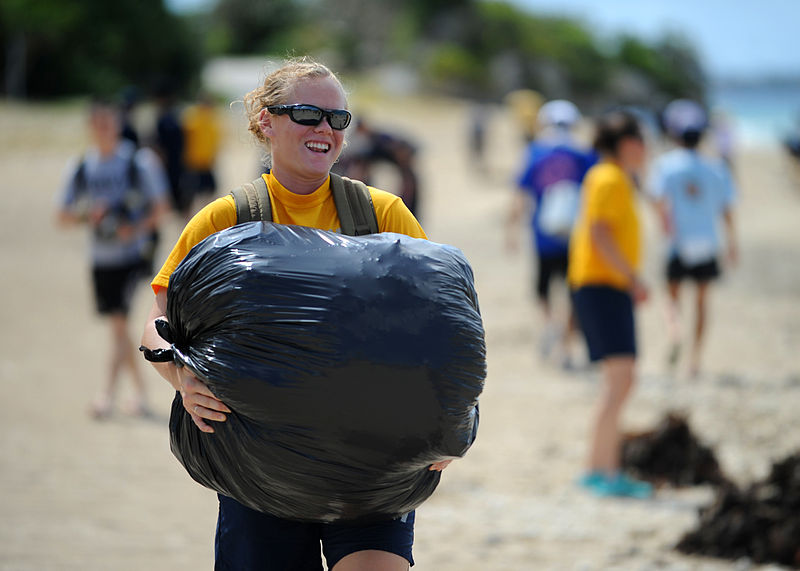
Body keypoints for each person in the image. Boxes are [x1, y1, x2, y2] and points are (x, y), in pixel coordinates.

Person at [140, 57, 450, 571]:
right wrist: (181, 377)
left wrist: (452, 419)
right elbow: (158, 320)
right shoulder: (226, 219)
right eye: (308, 114)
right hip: (260, 466)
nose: (325, 129)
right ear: (266, 120)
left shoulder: (384, 215)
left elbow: (440, 328)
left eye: (338, 119)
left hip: (371, 461)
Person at [57, 99, 170, 419]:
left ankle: (107, 394)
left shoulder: (140, 162)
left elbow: (161, 209)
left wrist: (132, 228)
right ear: (90, 127)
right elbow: (61, 215)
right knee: (117, 326)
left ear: (118, 124)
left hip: (134, 256)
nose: (104, 129)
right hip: (100, 258)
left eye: (109, 122)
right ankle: (140, 394)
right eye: (98, 123)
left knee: (119, 323)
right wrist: (87, 217)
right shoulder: (80, 167)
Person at [568, 109, 652, 498]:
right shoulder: (609, 177)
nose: (646, 148)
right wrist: (633, 279)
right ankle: (601, 471)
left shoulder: (615, 177)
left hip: (604, 286)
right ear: (628, 143)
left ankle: (603, 468)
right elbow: (600, 232)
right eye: (641, 141)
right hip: (602, 285)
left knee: (620, 380)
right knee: (620, 379)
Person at [647, 99, 738, 377]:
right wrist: (732, 244)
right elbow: (727, 210)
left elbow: (657, 200)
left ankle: (675, 330)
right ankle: (694, 361)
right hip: (707, 241)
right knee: (701, 303)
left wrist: (664, 225)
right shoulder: (717, 167)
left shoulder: (665, 165)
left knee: (671, 298)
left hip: (678, 242)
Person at [506, 99, 597, 368]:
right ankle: (566, 349)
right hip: (576, 235)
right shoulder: (583, 155)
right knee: (573, 294)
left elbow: (520, 194)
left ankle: (550, 323)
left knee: (543, 289)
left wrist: (511, 229)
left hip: (542, 233)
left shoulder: (535, 152)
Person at [181, 91, 222, 219]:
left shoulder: (212, 119)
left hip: (207, 163)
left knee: (210, 191)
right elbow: (184, 139)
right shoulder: (191, 117)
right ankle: (188, 219)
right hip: (192, 164)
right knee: (190, 194)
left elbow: (215, 140)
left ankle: (206, 217)